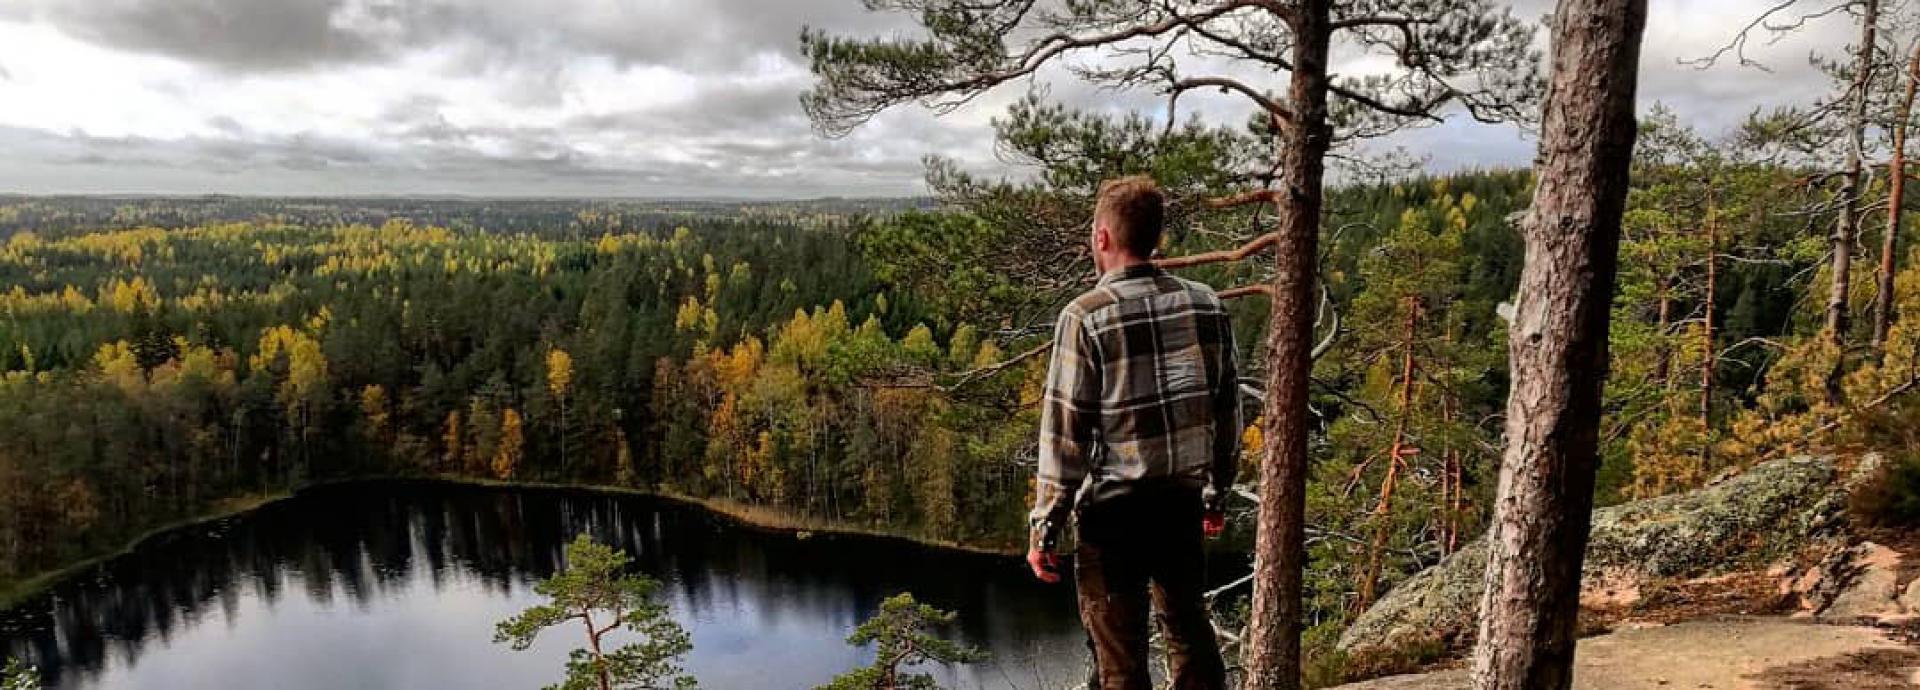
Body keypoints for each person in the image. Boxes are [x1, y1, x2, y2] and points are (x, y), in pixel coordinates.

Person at [1026, 175, 1238, 690]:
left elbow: (1065, 434)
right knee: (1189, 633)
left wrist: (1044, 528)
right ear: (1154, 237)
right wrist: (1215, 494)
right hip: (1180, 503)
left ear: (1102, 238)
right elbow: (1225, 411)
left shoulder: (1085, 317)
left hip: (1113, 515)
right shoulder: (1205, 304)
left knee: (1119, 660)